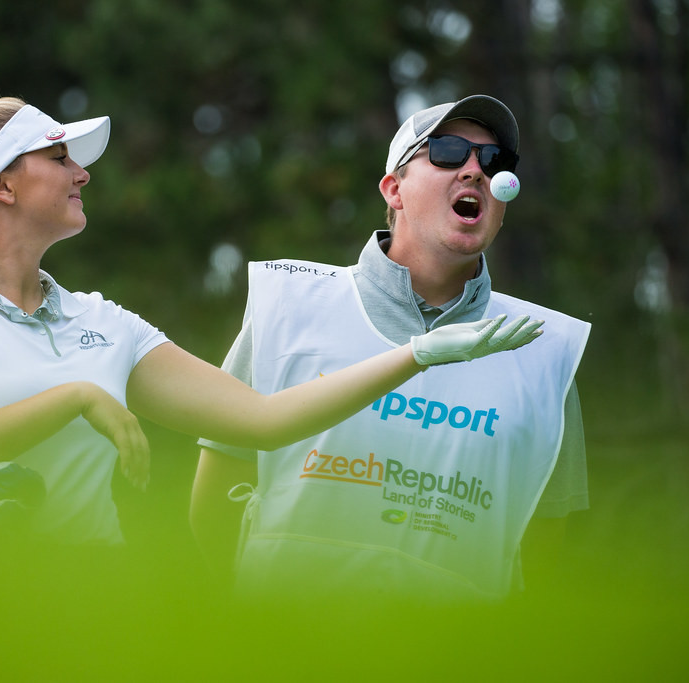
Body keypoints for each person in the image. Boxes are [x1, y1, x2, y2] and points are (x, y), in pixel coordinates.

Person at [0, 95, 542, 553]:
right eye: (60, 158)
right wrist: (74, 397)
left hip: (91, 608)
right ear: (1, 185)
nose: (82, 175)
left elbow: (265, 419)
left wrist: (416, 353)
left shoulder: (105, 324)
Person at [191, 95, 591, 602]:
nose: (474, 170)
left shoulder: (545, 347)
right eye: (447, 152)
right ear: (394, 189)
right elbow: (212, 503)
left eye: (493, 162)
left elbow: (543, 557)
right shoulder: (290, 303)